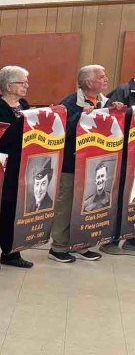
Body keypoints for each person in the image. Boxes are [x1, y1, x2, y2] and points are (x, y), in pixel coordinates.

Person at [49, 64, 125, 263]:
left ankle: (81, 244)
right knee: (66, 206)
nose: (106, 79)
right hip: (71, 164)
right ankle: (58, 247)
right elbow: (61, 129)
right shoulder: (70, 102)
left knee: (87, 206)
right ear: (89, 83)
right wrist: (80, 115)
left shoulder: (106, 102)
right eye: (101, 76)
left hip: (95, 165)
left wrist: (117, 111)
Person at [0, 65, 32, 268]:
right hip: (2, 167)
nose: (26, 86)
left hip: (21, 167)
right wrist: (24, 123)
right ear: (8, 86)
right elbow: (1, 140)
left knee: (13, 210)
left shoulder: (24, 105)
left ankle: (11, 252)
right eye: (22, 82)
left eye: (26, 82)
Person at [102, 73, 135, 255]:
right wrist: (127, 111)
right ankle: (110, 241)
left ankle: (132, 240)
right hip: (123, 155)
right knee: (119, 197)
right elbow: (108, 117)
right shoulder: (124, 89)